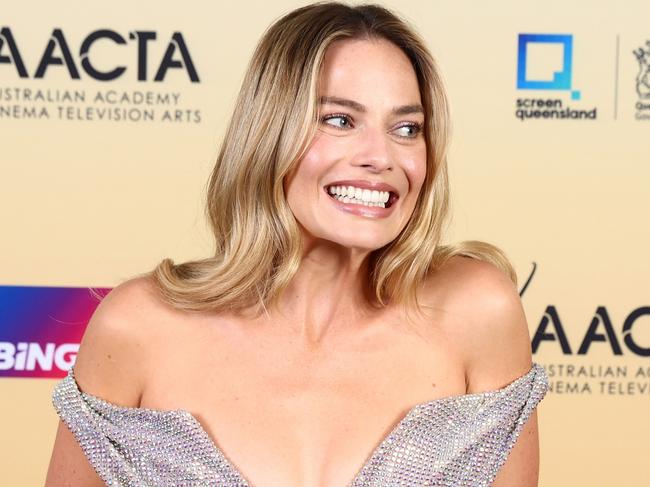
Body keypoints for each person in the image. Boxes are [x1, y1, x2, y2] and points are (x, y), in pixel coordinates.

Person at [45, 1, 549, 486]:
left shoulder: (477, 311)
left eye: (406, 128)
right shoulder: (140, 326)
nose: (381, 156)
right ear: (269, 131)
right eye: (339, 120)